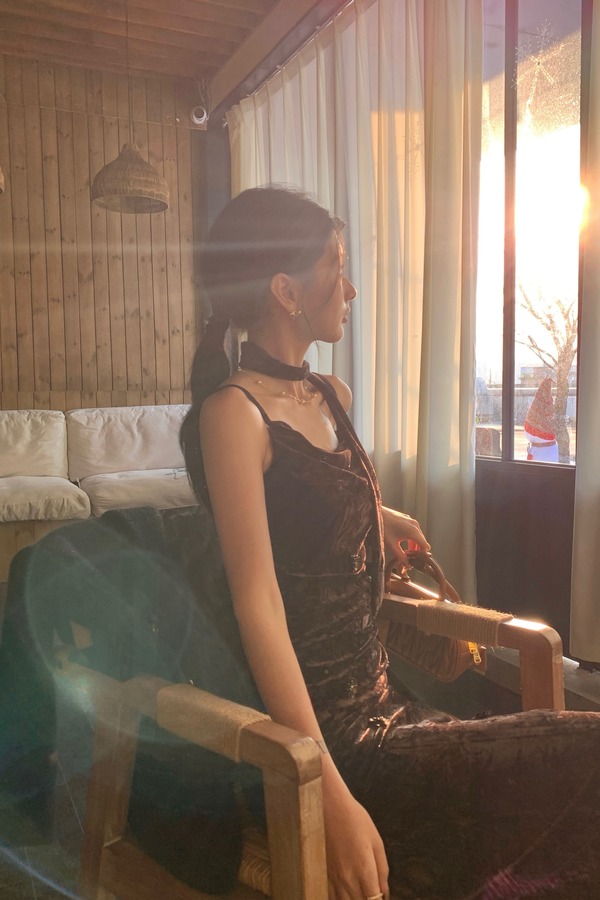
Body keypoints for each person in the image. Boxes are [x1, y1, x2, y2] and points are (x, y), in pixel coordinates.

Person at [181, 186, 600, 900]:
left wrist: (381, 516)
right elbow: (261, 608)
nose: (349, 289)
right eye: (336, 267)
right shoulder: (233, 415)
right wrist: (328, 795)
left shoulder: (331, 395)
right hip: (328, 743)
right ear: (286, 290)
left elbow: (311, 505)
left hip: (391, 704)